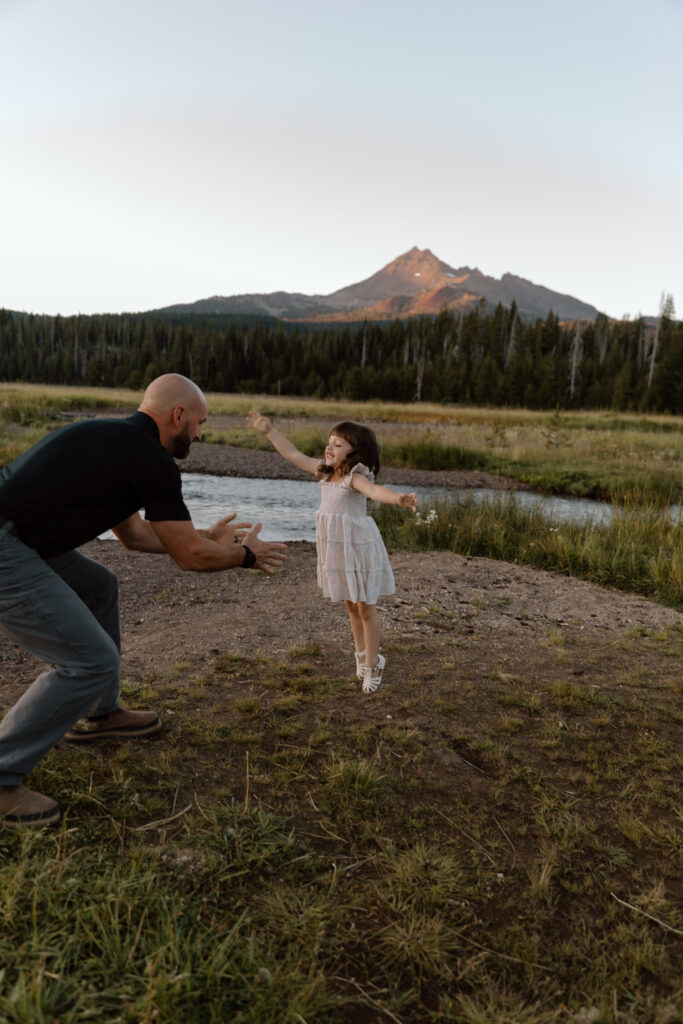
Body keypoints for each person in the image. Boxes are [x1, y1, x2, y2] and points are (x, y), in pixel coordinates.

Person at [0, 374, 286, 828]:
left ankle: (100, 714)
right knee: (90, 660)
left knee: (99, 586)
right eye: (199, 423)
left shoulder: (116, 442)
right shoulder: (150, 458)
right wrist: (244, 556)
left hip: (21, 540)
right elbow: (189, 558)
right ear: (178, 415)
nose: (200, 434)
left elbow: (134, 535)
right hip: (7, 547)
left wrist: (204, 536)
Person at [247, 411, 417, 694]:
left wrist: (399, 499)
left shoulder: (354, 477)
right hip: (338, 550)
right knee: (350, 605)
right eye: (329, 442)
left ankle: (374, 663)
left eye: (338, 444)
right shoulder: (324, 473)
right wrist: (269, 431)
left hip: (358, 547)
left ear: (355, 452)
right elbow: (293, 454)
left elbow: (375, 491)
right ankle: (360, 654)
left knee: (366, 608)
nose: (330, 448)